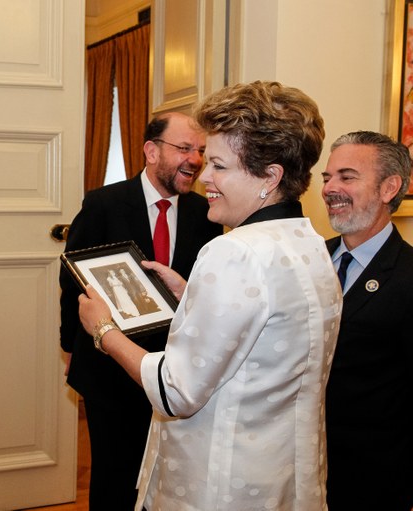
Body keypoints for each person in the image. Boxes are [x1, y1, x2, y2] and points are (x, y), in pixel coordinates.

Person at [78, 81, 342, 510]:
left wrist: (104, 329)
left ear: (270, 177)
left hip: (219, 483)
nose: (205, 177)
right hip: (282, 478)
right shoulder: (311, 244)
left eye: (218, 165)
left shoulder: (233, 251)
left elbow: (174, 392)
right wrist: (191, 298)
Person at [59, 112, 222, 509]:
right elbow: (72, 281)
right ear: (152, 151)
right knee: (116, 477)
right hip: (110, 371)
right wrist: (67, 347)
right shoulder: (104, 204)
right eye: (184, 148)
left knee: (167, 477)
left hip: (175, 374)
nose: (196, 160)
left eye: (200, 151)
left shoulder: (208, 213)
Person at [321, 131, 413, 511]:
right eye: (326, 178)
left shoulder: (409, 276)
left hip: (370, 482)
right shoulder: (308, 260)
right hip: (293, 471)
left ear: (389, 187)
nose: (330, 189)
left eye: (346, 176)